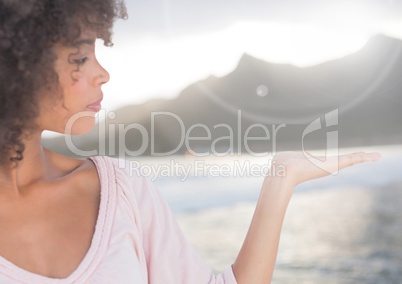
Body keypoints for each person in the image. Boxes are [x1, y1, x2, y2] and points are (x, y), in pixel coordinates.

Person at [0, 0, 381, 283]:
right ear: (18, 60)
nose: (103, 74)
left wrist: (279, 180)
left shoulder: (119, 190)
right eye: (80, 57)